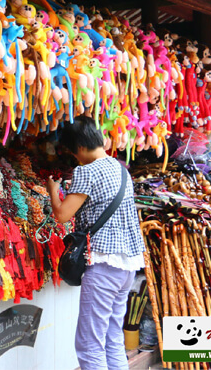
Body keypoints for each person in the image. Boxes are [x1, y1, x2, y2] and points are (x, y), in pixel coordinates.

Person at [47, 115, 144, 370]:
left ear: (79, 148)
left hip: (103, 265)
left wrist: (52, 190)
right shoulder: (121, 170)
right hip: (127, 267)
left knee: (89, 344)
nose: (74, 158)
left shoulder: (86, 171)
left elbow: (62, 214)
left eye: (72, 152)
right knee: (113, 338)